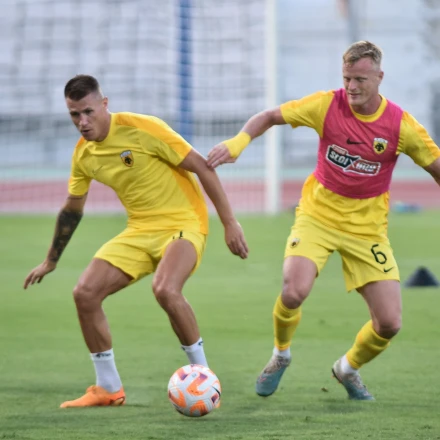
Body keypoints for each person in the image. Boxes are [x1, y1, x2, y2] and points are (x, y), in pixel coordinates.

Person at [207, 41, 440, 400]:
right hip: (317, 217)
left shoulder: (400, 125)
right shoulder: (326, 105)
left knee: (390, 323)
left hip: (367, 230)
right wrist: (239, 141)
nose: (352, 87)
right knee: (293, 291)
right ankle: (280, 355)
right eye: (347, 78)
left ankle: (347, 369)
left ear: (380, 77)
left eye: (360, 79)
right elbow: (269, 116)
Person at [24, 74, 249, 408]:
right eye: (74, 114)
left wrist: (230, 223)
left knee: (165, 289)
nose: (82, 122)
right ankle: (108, 388)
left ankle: (204, 378)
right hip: (140, 230)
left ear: (104, 104)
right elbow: (72, 209)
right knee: (85, 293)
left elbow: (203, 167)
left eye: (88, 112)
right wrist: (51, 260)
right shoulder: (84, 155)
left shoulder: (143, 128)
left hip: (184, 223)